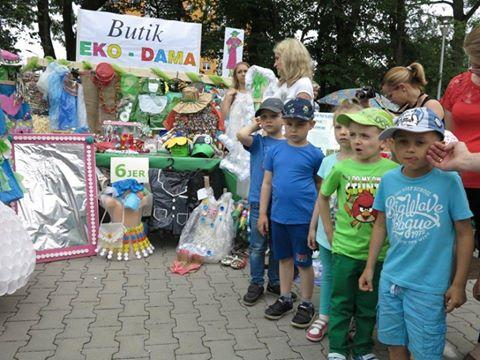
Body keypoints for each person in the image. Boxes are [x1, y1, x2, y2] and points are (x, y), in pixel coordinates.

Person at [358, 107, 474, 360]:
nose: (410, 149)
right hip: (391, 281)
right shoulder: (388, 180)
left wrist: (458, 284)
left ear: (439, 144)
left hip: (428, 287)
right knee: (393, 343)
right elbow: (380, 225)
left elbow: (465, 234)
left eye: (420, 142)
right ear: (392, 144)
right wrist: (369, 267)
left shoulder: (449, 180)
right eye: (403, 141)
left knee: (424, 352)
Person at [319, 108, 397, 360]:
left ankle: (363, 347)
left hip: (379, 254)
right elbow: (323, 197)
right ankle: (338, 349)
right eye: (353, 135)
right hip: (344, 250)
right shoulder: (341, 168)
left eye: (365, 135)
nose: (356, 141)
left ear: (384, 140)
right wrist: (328, 230)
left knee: (367, 305)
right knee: (340, 302)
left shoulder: (392, 171)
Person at [257, 98, 324, 328]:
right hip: (278, 218)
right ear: (284, 123)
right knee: (283, 259)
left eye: (300, 125)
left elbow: (319, 188)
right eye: (290, 124)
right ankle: (285, 297)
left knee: (303, 262)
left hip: (302, 220)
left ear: (311, 125)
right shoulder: (274, 151)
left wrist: (316, 222)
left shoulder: (316, 154)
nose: (293, 130)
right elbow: (267, 183)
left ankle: (306, 303)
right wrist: (263, 214)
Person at [305, 101, 361, 342]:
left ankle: (351, 318)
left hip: (355, 236)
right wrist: (312, 225)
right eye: (339, 127)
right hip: (326, 234)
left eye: (350, 127)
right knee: (328, 275)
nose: (344, 132)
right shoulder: (328, 162)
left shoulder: (367, 164)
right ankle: (326, 315)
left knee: (352, 278)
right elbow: (322, 197)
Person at [236, 98, 286, 305]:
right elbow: (241, 135)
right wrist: (258, 124)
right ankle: (256, 282)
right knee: (257, 246)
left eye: (274, 116)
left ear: (284, 118)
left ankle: (274, 281)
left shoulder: (288, 144)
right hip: (258, 203)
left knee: (277, 247)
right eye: (264, 116)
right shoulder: (258, 142)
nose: (268, 120)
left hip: (280, 204)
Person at [441, 26, 480, 251]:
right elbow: (448, 132)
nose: (474, 68)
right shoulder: (457, 84)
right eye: (472, 61)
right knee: (454, 244)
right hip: (458, 180)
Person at [273, 38, 314, 103]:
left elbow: (300, 112)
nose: (275, 64)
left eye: (277, 58)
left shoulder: (303, 84)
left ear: (289, 59)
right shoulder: (284, 84)